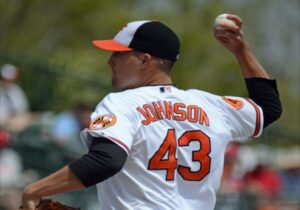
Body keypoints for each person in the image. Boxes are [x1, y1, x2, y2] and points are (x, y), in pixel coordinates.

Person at [20, 14, 282, 210]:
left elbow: (106, 160)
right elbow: (268, 108)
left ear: (145, 60)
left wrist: (35, 189)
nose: (110, 61)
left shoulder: (122, 103)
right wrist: (241, 50)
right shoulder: (210, 105)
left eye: (119, 54)